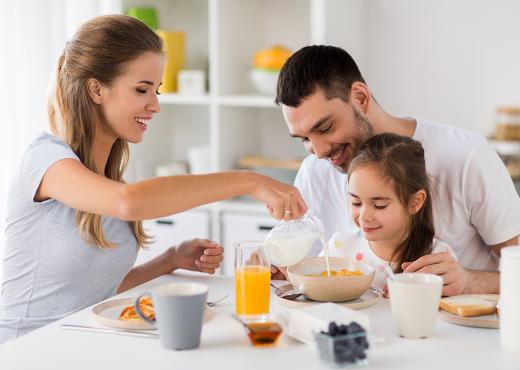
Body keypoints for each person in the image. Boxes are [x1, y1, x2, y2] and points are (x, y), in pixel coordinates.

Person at [0, 15, 307, 343]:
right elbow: (129, 202)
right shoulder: (45, 160)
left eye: (156, 90)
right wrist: (249, 181)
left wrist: (170, 260)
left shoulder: (105, 179)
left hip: (80, 342)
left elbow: (96, 291)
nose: (155, 105)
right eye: (142, 89)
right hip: (24, 348)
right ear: (96, 89)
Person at [273, 45, 520, 296]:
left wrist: (468, 281)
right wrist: (282, 269)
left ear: (360, 97)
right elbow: (307, 275)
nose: (318, 150)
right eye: (303, 139)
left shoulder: (466, 157)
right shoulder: (314, 171)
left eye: (325, 128)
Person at [325, 133, 456, 290]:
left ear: (415, 202)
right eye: (356, 202)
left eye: (379, 205)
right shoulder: (339, 249)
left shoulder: (437, 259)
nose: (364, 217)